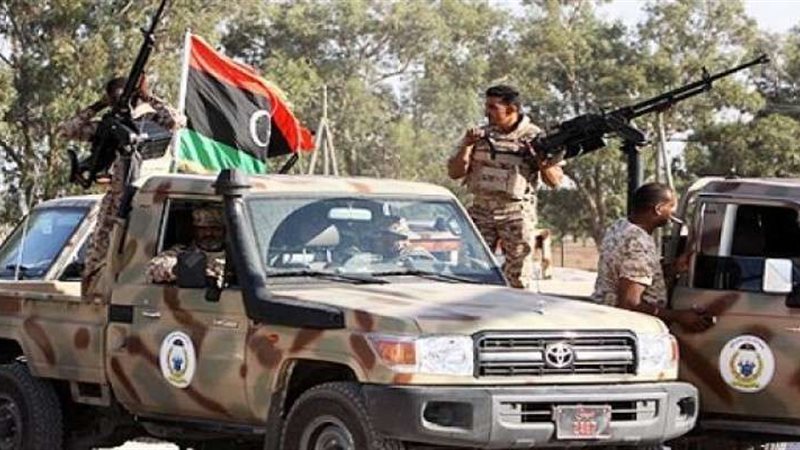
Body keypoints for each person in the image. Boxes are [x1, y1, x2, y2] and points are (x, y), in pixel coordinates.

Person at [58, 75, 180, 302]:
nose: (121, 101)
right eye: (115, 98)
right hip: (117, 198)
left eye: (125, 96)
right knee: (99, 257)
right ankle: (94, 300)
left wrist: (148, 97)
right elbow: (67, 131)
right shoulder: (108, 127)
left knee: (142, 258)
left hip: (150, 199)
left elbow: (177, 120)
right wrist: (99, 105)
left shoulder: (151, 121)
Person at [447, 84, 563, 289]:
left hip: (515, 214)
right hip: (481, 211)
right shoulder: (479, 136)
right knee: (471, 273)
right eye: (487, 106)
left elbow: (555, 181)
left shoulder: (535, 137)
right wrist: (467, 145)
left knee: (517, 277)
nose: (487, 112)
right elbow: (455, 173)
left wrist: (542, 160)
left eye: (493, 107)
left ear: (511, 109)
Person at [592, 183, 713, 332]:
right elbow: (629, 303)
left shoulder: (620, 227)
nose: (674, 213)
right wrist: (678, 316)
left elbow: (634, 275)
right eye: (671, 206)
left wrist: (674, 268)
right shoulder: (638, 242)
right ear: (658, 209)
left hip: (607, 318)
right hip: (632, 327)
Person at [146, 207, 226, 287]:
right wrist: (179, 269)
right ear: (195, 230)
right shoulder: (180, 252)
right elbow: (153, 268)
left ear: (224, 230)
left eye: (215, 229)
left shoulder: (232, 256)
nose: (208, 233)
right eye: (203, 229)